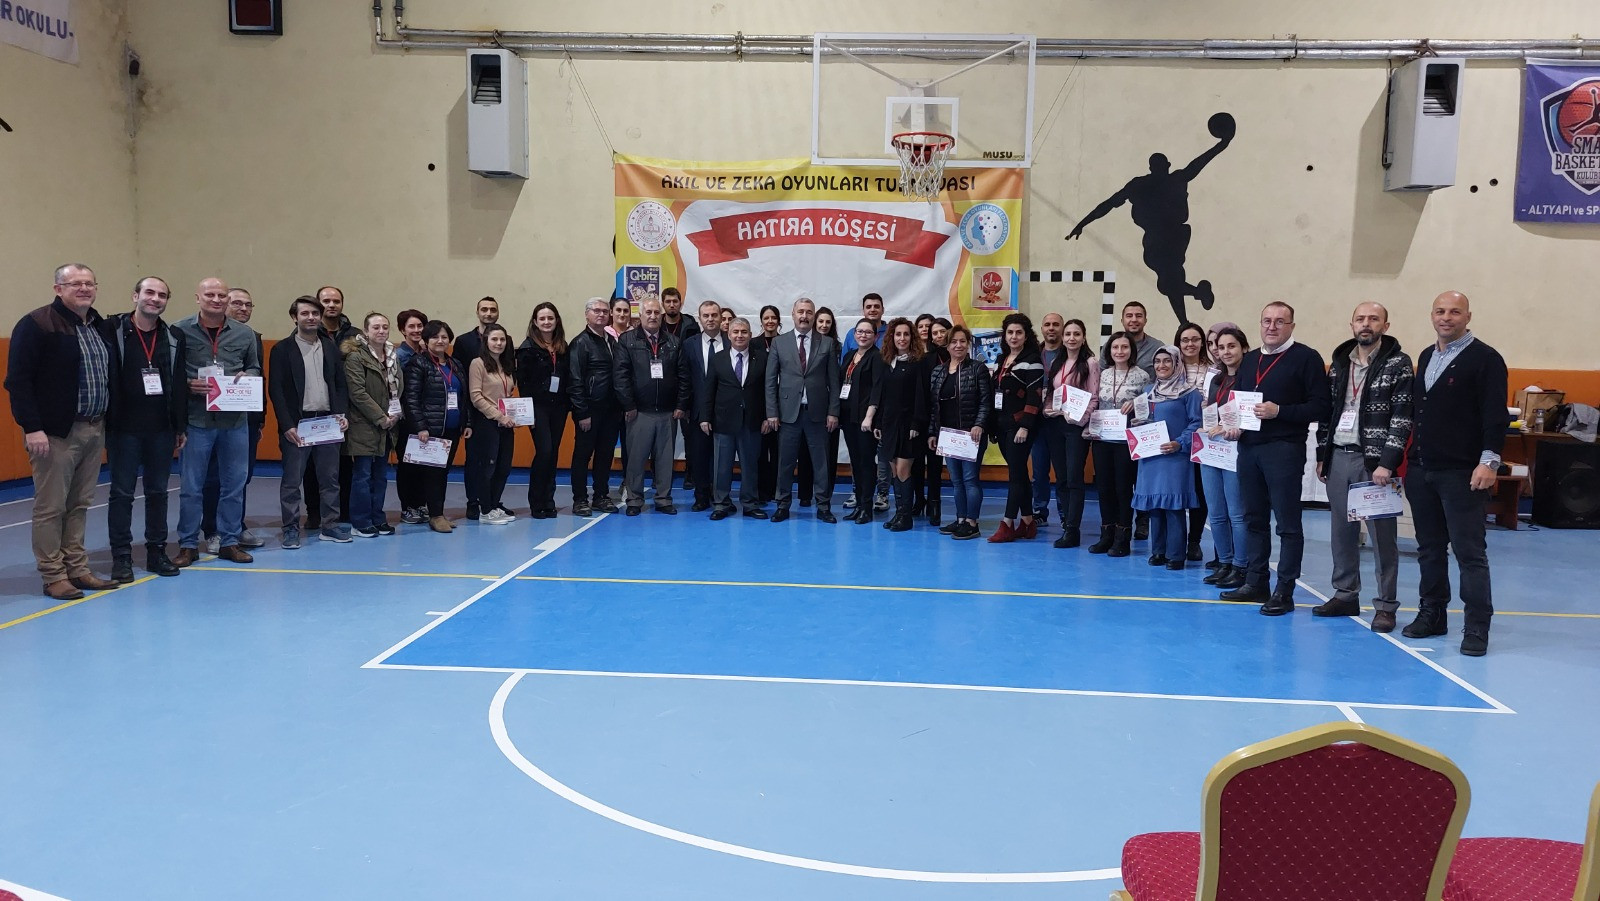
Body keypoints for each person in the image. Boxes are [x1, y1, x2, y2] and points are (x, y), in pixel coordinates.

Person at [6, 264, 120, 599]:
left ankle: (78, 569)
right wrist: (33, 428)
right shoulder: (36, 324)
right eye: (75, 284)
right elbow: (18, 381)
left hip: (94, 427)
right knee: (51, 507)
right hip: (55, 433)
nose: (84, 289)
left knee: (80, 504)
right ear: (58, 288)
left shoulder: (98, 326)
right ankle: (53, 574)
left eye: (89, 283)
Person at [1402, 291, 1506, 657]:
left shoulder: (1486, 359)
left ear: (1468, 317)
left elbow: (1495, 415)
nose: (1446, 317)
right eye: (1440, 311)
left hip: (1463, 473)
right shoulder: (1426, 356)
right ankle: (1433, 614)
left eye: (1455, 312)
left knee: (1469, 552)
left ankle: (1477, 626)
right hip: (1422, 469)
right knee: (1429, 549)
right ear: (1432, 315)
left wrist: (1489, 462)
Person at [1065, 115, 1232, 325]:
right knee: (1168, 281)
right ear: (1165, 166)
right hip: (1162, 237)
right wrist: (1082, 223)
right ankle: (1195, 298)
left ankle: (1185, 320)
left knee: (1169, 279)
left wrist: (1083, 223)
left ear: (1153, 167)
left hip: (1170, 236)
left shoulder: (1162, 181)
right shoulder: (1154, 182)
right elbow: (1108, 204)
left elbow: (1108, 204)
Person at [1220, 302, 1330, 615]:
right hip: (1249, 449)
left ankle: (1285, 590)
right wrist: (1233, 426)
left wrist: (1279, 411)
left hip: (1283, 449)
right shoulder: (1250, 359)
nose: (1272, 327)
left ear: (1291, 326)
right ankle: (1256, 582)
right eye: (1267, 321)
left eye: (1280, 321)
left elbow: (1321, 407)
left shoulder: (1306, 358)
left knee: (1287, 523)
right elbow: (1239, 403)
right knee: (1254, 519)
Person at [1313, 302, 1414, 632]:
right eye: (1360, 319)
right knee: (1341, 533)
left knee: (1382, 538)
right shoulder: (1339, 363)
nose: (1366, 324)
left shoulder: (1398, 363)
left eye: (1373, 319)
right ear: (1352, 324)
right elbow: (1329, 412)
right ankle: (1345, 594)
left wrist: (1387, 462)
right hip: (1339, 456)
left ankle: (1385, 605)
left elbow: (1402, 417)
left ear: (1386, 325)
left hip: (1374, 463)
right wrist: (1322, 454)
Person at [172, 277, 262, 566]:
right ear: (197, 297)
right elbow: (170, 371)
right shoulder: (179, 330)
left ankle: (230, 541)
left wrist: (248, 376)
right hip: (197, 421)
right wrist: (188, 383)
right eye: (210, 294)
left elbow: (254, 367)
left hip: (234, 421)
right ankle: (188, 544)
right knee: (191, 487)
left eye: (222, 295)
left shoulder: (245, 334)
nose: (216, 299)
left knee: (234, 485)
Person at [103, 276, 189, 580]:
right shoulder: (112, 330)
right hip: (123, 429)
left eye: (162, 295)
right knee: (122, 493)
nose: (155, 299)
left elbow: (179, 382)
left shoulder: (173, 336)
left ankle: (156, 552)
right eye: (149, 292)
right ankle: (121, 557)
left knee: (158, 493)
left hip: (161, 429)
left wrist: (179, 425)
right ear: (135, 296)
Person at [269, 296, 352, 547]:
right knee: (292, 481)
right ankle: (290, 529)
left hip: (327, 422)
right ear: (294, 317)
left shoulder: (329, 346)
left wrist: (341, 414)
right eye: (305, 313)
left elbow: (340, 384)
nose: (311, 317)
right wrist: (286, 424)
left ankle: (330, 525)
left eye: (315, 313)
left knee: (330, 479)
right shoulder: (282, 349)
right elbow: (276, 390)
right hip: (298, 424)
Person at [200, 288, 267, 552]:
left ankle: (235, 526)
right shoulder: (200, 334)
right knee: (213, 477)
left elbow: (258, 377)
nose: (243, 308)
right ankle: (212, 530)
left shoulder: (252, 337)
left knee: (241, 477)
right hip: (209, 418)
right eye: (237, 303)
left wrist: (259, 419)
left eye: (248, 304)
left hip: (244, 418)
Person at [765, 297, 841, 522]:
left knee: (821, 463)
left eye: (808, 312)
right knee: (785, 462)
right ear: (793, 314)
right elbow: (770, 381)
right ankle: (783, 504)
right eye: (801, 311)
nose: (804, 316)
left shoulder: (826, 343)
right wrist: (772, 412)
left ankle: (823, 506)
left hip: (818, 414)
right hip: (788, 414)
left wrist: (833, 411)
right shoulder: (779, 343)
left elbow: (834, 381)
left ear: (813, 316)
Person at [614, 297, 691, 515]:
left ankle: (664, 499)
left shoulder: (674, 342)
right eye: (648, 312)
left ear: (662, 315)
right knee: (636, 459)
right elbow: (620, 376)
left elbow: (684, 376)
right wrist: (628, 405)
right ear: (640, 315)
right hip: (638, 412)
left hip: (668, 412)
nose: (653, 316)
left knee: (665, 460)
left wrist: (681, 404)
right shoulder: (627, 341)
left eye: (657, 312)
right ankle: (634, 500)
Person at [1131, 346, 1204, 569]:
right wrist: (1138, 425)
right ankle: (1158, 551)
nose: (1161, 365)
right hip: (1151, 457)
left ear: (1177, 363)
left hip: (1175, 456)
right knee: (1154, 505)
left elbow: (1196, 422)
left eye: (1167, 361)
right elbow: (1145, 418)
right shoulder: (1148, 391)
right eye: (1157, 361)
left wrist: (1179, 443)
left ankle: (1176, 555)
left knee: (1174, 507)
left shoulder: (1189, 393)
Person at [699, 317, 771, 520]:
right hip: (723, 421)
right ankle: (721, 504)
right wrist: (705, 417)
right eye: (736, 332)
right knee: (722, 466)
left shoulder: (762, 358)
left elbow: (768, 390)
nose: (740, 336)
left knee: (750, 466)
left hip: (752, 421)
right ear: (729, 335)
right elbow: (709, 390)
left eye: (744, 332)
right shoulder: (718, 358)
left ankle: (750, 504)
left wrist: (768, 417)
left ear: (750, 335)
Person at [403, 320, 471, 532]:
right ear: (426, 340)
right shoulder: (418, 364)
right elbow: (411, 398)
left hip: (452, 428)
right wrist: (420, 426)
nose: (440, 341)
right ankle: (435, 515)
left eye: (444, 337)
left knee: (443, 473)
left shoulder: (455, 364)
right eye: (435, 337)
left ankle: (437, 511)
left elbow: (464, 397)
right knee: (433, 474)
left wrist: (467, 422)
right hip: (430, 430)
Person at [1086, 331, 1151, 556]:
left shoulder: (1142, 376)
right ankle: (1107, 535)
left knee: (1123, 488)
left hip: (1126, 441)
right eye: (1115, 347)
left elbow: (1148, 408)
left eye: (1124, 347)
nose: (1120, 351)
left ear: (1131, 350)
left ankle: (1123, 537)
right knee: (1104, 488)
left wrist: (1135, 403)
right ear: (1109, 351)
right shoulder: (1102, 374)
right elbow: (1094, 401)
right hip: (1102, 439)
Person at [927, 325, 993, 540]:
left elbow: (986, 401)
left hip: (971, 434)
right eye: (954, 342)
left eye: (962, 341)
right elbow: (933, 407)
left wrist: (979, 424)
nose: (958, 345)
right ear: (947, 345)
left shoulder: (978, 369)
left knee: (970, 479)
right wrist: (933, 433)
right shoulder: (938, 372)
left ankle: (972, 523)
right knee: (956, 481)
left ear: (968, 344)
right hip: (948, 435)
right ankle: (961, 519)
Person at [1039, 317, 1100, 548]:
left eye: (1076, 334)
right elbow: (1051, 393)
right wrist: (1047, 409)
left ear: (1083, 338)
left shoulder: (1090, 363)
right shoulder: (1058, 362)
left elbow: (1094, 397)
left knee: (1075, 478)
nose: (1071, 338)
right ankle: (1066, 524)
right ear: (1063, 339)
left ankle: (1073, 529)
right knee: (1062, 478)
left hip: (1076, 427)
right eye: (1068, 334)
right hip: (1056, 424)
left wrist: (1080, 420)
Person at [1199, 325, 1251, 590]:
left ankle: (1241, 566)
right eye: (1221, 347)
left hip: (1236, 451)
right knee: (1216, 512)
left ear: (1243, 347)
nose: (1225, 351)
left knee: (1236, 513)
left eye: (1231, 346)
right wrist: (1207, 423)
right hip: (1212, 449)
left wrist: (1233, 428)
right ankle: (1225, 562)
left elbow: (1250, 416)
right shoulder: (1216, 380)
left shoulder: (1250, 378)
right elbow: (1213, 412)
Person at [986, 313, 1045, 542]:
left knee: (1015, 476)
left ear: (1026, 335)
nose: (1014, 336)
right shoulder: (1002, 359)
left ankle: (1007, 523)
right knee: (1019, 473)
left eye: (1019, 332)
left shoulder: (1033, 360)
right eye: (1010, 332)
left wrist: (1025, 426)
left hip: (1020, 427)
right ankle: (1028, 523)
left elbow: (1034, 396)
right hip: (1002, 425)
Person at [342, 311, 401, 538]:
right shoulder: (356, 357)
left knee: (381, 476)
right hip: (364, 425)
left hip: (388, 425)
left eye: (385, 327)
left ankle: (378, 518)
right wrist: (380, 417)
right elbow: (357, 393)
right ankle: (360, 522)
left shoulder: (392, 356)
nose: (381, 331)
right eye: (376, 327)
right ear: (366, 331)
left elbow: (398, 388)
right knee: (363, 476)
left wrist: (394, 414)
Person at [567, 297, 623, 517]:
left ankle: (601, 495)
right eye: (596, 311)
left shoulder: (612, 340)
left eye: (604, 311)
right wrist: (582, 412)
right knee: (582, 456)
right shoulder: (580, 343)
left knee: (605, 455)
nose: (601, 314)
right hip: (589, 411)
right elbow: (575, 380)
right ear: (587, 314)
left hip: (611, 410)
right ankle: (580, 499)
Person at [515, 302, 570, 519]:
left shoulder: (562, 346)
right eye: (542, 319)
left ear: (556, 321)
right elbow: (523, 383)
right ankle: (536, 501)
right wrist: (528, 413)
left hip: (559, 407)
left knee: (553, 453)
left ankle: (549, 500)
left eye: (550, 318)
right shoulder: (527, 348)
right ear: (535, 322)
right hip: (538, 407)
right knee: (544, 451)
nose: (547, 322)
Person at [874, 318, 929, 532]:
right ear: (892, 337)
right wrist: (878, 422)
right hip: (889, 425)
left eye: (906, 334)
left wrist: (917, 422)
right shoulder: (887, 362)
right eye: (898, 334)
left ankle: (906, 517)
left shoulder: (918, 363)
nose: (902, 338)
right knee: (894, 471)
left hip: (909, 426)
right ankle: (899, 513)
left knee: (904, 470)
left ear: (912, 337)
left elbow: (921, 396)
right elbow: (882, 396)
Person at [840, 293, 890, 513]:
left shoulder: (877, 357)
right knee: (855, 461)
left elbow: (877, 389)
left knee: (867, 463)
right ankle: (859, 503)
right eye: (859, 331)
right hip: (848, 417)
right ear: (854, 334)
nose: (863, 335)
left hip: (865, 420)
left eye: (868, 332)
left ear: (875, 336)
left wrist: (869, 417)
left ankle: (866, 507)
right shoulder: (850, 355)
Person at [466, 322, 519, 524]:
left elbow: (507, 394)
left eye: (502, 339)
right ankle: (485, 510)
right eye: (494, 339)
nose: (498, 343)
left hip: (505, 425)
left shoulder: (506, 365)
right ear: (486, 341)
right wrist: (499, 416)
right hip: (487, 423)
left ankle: (495, 505)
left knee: (503, 467)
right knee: (487, 468)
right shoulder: (477, 364)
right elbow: (476, 396)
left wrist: (514, 413)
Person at [682, 300, 726, 512]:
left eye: (714, 315)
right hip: (697, 410)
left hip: (725, 410)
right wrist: (684, 406)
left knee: (722, 457)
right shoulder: (689, 344)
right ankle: (701, 496)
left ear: (721, 317)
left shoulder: (731, 341)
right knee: (699, 456)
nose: (710, 319)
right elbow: (684, 377)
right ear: (699, 319)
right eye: (706, 315)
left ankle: (721, 497)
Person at [797, 305, 841, 508]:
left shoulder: (835, 346)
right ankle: (805, 494)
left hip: (825, 409)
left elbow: (835, 381)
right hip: (801, 408)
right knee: (804, 454)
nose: (824, 325)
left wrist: (833, 410)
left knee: (825, 455)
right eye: (820, 321)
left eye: (828, 322)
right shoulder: (802, 343)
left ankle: (824, 496)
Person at [1175, 321, 1212, 561]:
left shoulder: (1213, 371)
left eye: (1195, 339)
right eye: (1185, 340)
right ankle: (1175, 541)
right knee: (1177, 490)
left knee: (1200, 491)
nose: (1190, 344)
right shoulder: (1170, 368)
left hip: (1205, 437)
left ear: (1203, 343)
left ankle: (1194, 541)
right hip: (1177, 437)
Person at [393, 309, 429, 524]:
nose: (416, 330)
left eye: (420, 326)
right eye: (411, 326)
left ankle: (421, 503)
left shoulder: (427, 354)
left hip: (425, 417)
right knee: (407, 464)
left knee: (424, 463)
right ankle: (408, 507)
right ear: (402, 330)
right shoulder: (398, 357)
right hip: (406, 418)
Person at [754, 303, 783, 505]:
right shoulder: (753, 344)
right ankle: (762, 491)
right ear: (761, 321)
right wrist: (765, 414)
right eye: (766, 318)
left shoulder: (786, 343)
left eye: (773, 318)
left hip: (783, 407)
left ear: (779, 321)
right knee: (760, 453)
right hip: (761, 407)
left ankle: (777, 491)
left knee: (780, 453)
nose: (770, 321)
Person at [451, 296, 499, 369]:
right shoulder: (463, 341)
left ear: (498, 314)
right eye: (484, 310)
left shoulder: (506, 340)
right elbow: (457, 370)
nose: (489, 313)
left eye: (493, 310)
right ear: (477, 313)